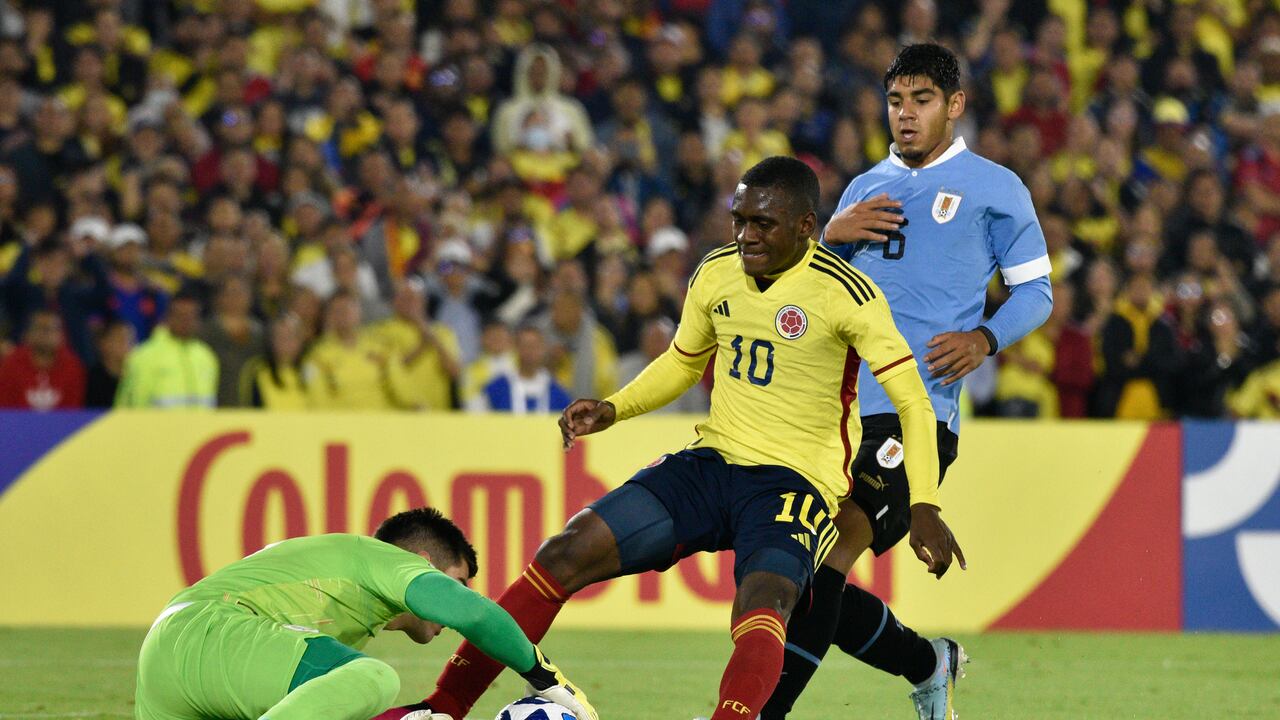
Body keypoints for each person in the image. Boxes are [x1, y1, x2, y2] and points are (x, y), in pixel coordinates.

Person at [400, 157, 943, 720]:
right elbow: (683, 364)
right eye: (739, 220)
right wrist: (615, 408)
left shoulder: (847, 294)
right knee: (565, 551)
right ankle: (442, 708)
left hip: (795, 481)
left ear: (807, 226)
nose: (745, 236)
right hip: (711, 463)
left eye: (762, 224)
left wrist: (923, 502)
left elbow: (911, 401)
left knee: (764, 605)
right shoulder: (716, 272)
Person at [765, 44, 1053, 720]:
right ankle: (929, 663)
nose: (906, 115)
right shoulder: (862, 190)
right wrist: (827, 240)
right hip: (832, 415)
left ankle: (753, 714)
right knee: (804, 576)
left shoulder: (995, 186)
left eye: (922, 100)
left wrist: (985, 338)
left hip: (915, 414)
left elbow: (1036, 291)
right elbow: (801, 302)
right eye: (896, 101)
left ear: (954, 105)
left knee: (834, 546)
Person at [134, 507, 596, 720]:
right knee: (376, 680)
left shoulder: (346, 617)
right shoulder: (380, 559)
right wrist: (544, 675)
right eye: (456, 581)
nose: (452, 601)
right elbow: (476, 616)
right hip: (210, 632)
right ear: (425, 564)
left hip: (169, 659)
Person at [115, 291, 219, 408]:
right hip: (156, 426)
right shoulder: (145, 356)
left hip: (200, 426)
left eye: (191, 316)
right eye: (181, 316)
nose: (186, 322)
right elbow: (131, 403)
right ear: (168, 317)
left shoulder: (206, 356)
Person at [472, 324, 571, 414]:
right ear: (515, 348)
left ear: (543, 349)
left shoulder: (557, 391)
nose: (530, 351)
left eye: (534, 346)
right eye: (525, 345)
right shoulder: (497, 387)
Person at [0, 308, 85, 410]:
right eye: (39, 328)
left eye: (51, 329)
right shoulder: (11, 364)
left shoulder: (73, 366)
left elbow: (73, 411)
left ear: (62, 335)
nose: (45, 334)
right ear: (28, 334)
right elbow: (5, 409)